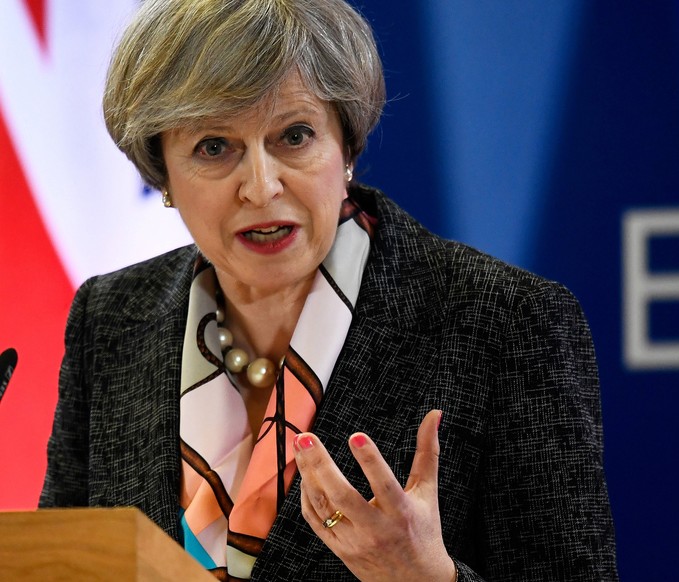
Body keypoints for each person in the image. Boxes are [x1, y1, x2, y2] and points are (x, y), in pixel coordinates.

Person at [39, 0, 618, 580]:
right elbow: (59, 566)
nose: (261, 189)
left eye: (294, 135)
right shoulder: (111, 319)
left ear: (346, 146)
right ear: (161, 172)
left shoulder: (504, 323)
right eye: (214, 147)